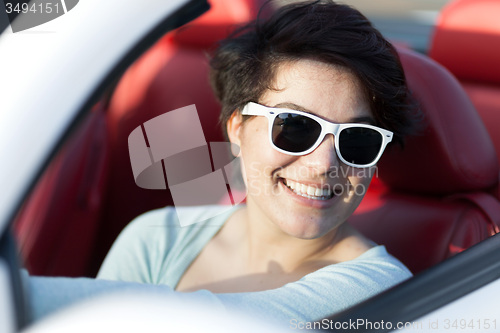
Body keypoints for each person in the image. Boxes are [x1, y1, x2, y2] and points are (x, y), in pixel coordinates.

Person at [27, 0, 417, 327]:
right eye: (295, 127)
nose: (322, 164)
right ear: (237, 129)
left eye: (358, 140)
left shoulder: (384, 290)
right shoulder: (155, 240)